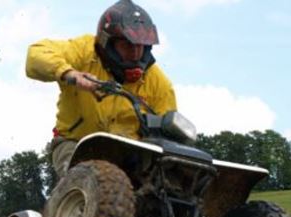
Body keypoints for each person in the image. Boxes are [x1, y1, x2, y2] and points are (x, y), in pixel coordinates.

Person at [26, 0, 178, 178]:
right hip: (76, 143)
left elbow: (170, 133)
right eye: (128, 45)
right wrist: (70, 73)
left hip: (130, 153)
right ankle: (73, 202)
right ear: (108, 42)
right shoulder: (84, 51)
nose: (136, 53)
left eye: (141, 45)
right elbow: (35, 55)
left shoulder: (159, 82)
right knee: (87, 180)